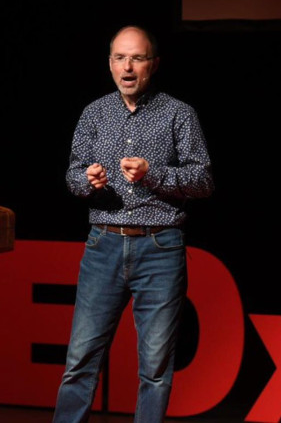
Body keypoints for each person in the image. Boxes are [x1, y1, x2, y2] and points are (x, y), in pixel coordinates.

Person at [52, 25, 214, 423]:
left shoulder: (179, 114)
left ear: (153, 65)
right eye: (120, 58)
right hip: (102, 245)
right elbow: (72, 175)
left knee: (156, 368)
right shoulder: (94, 113)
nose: (128, 66)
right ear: (110, 64)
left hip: (159, 248)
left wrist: (153, 174)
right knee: (80, 360)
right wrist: (86, 181)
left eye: (137, 58)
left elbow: (204, 181)